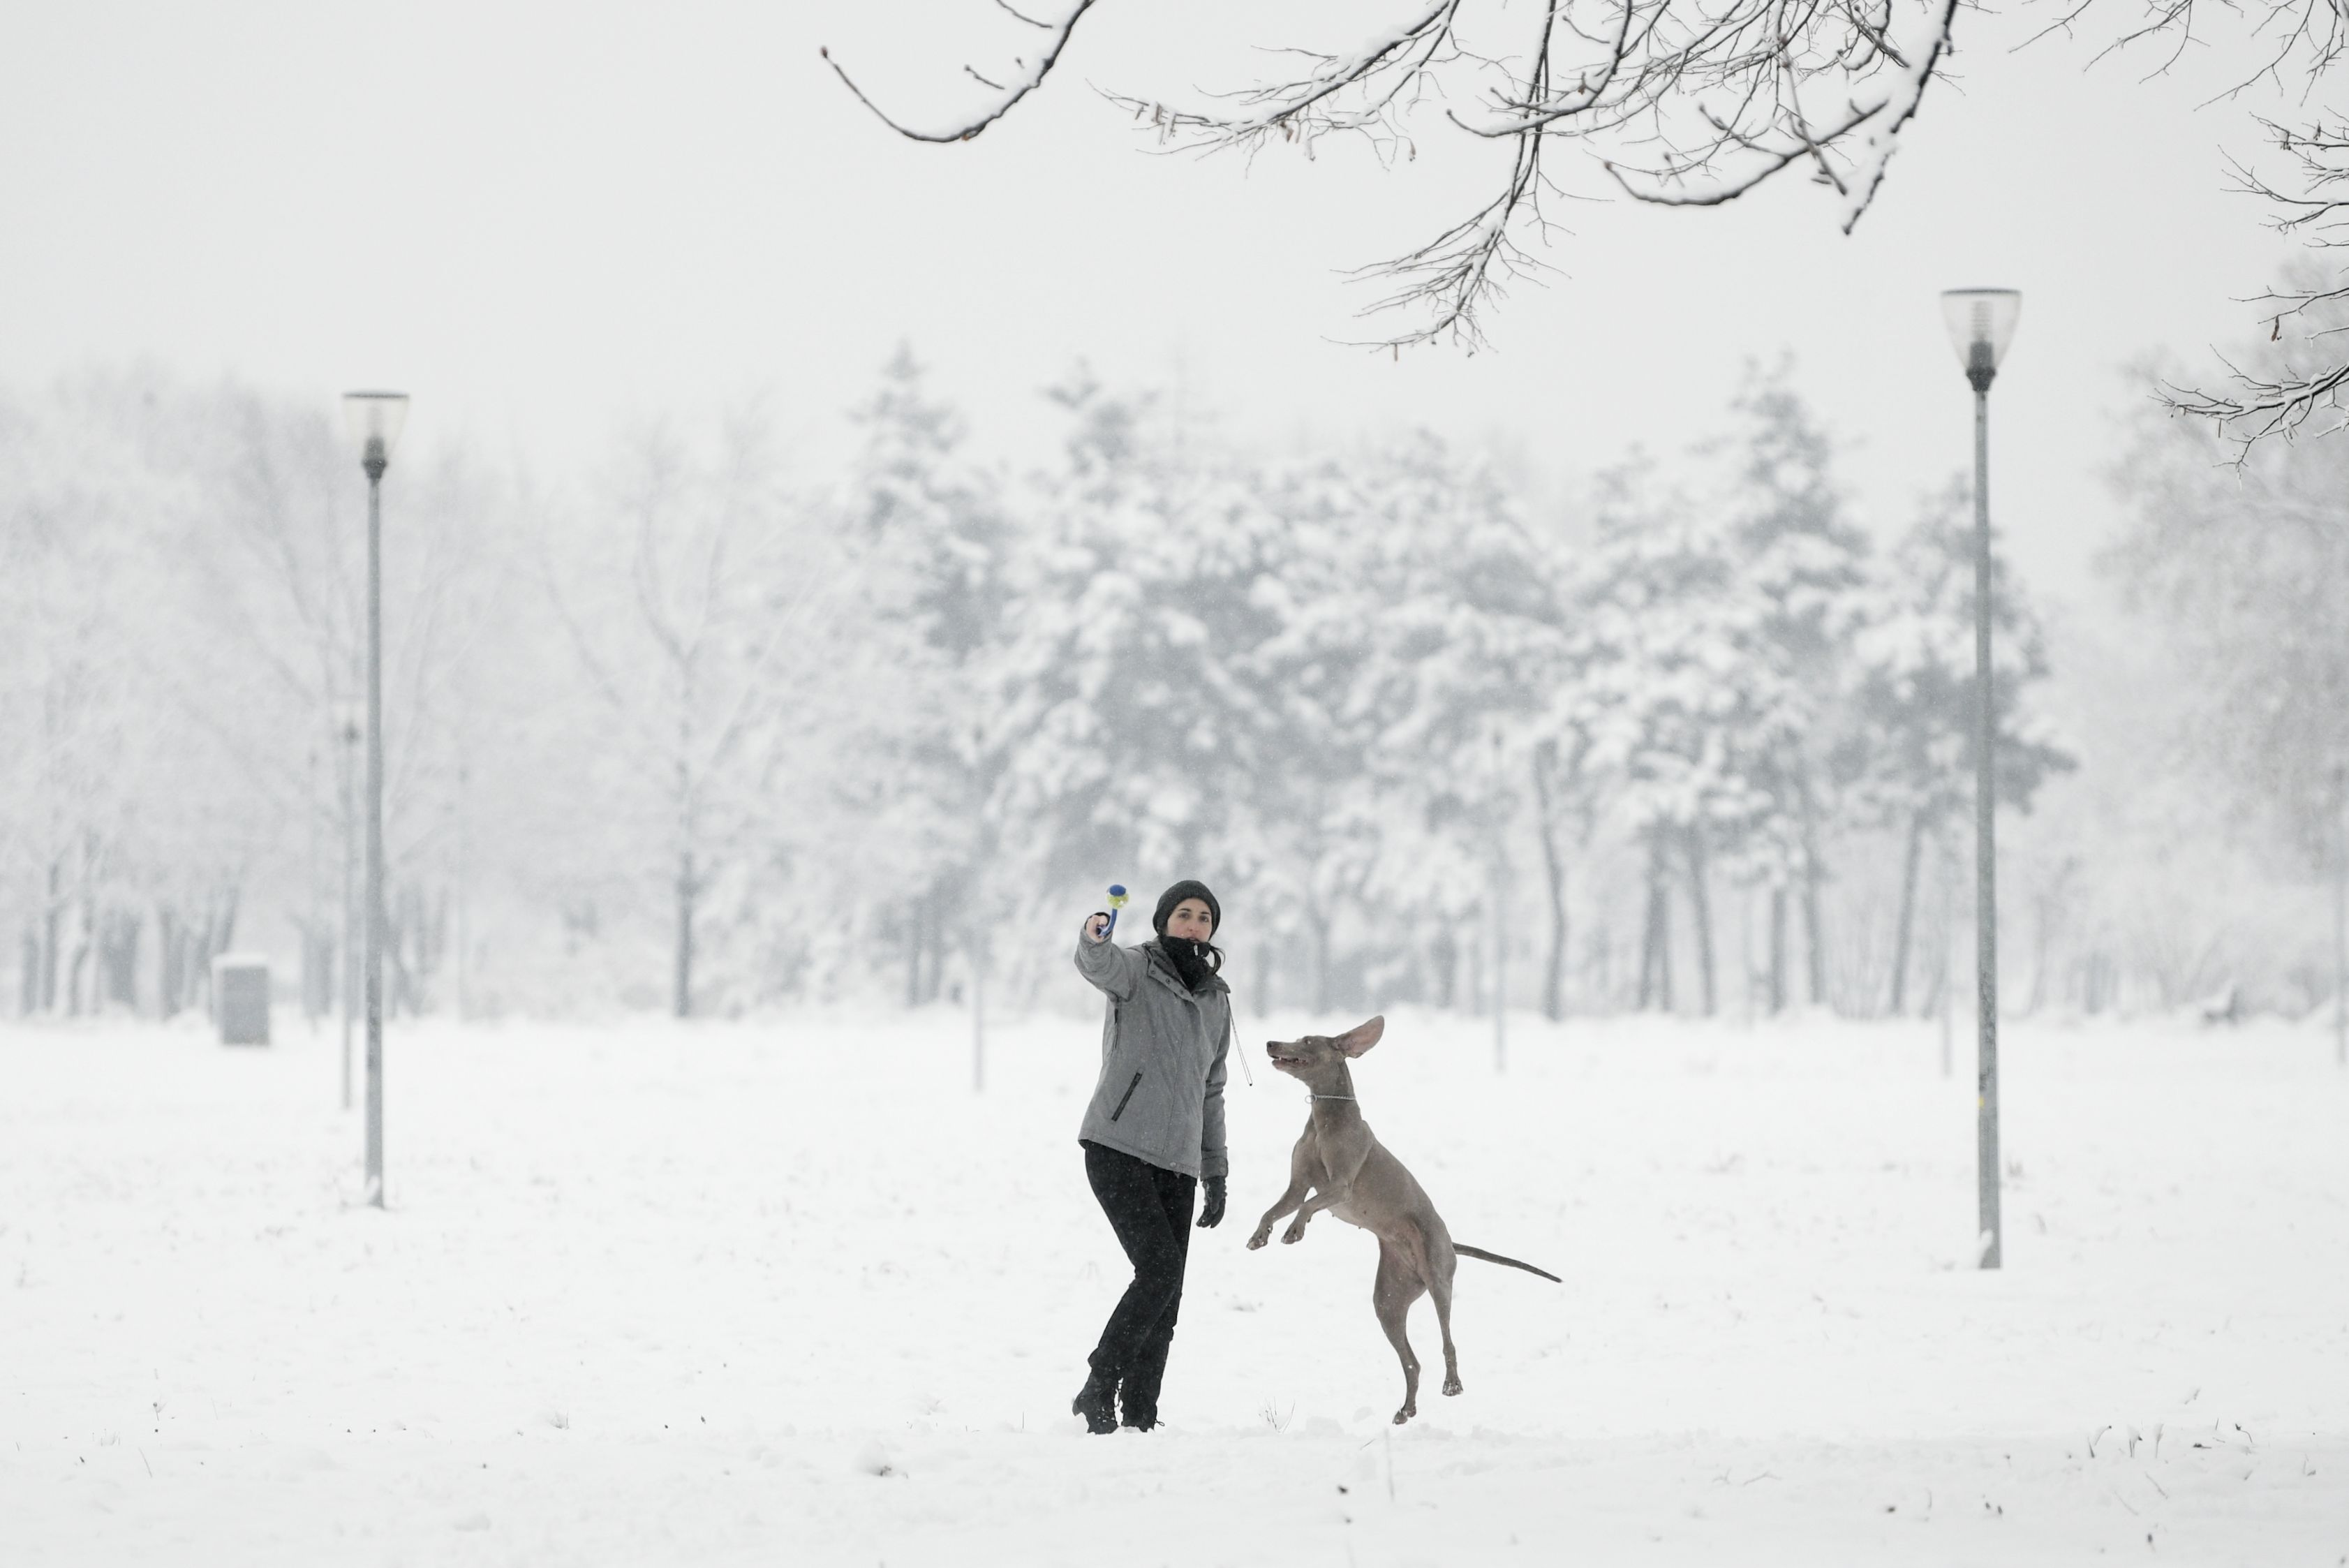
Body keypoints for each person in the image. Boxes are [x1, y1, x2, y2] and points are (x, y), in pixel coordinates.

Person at [1068, 879, 1232, 1433]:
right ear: (1163, 921)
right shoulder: (1135, 969)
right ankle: (1099, 1385)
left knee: (1169, 1292)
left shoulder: (1215, 1000)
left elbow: (1212, 1088)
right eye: (1183, 914)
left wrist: (1215, 1169)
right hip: (1118, 1145)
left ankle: (1141, 1416)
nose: (1194, 925)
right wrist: (1094, 937)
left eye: (1204, 918)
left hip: (1179, 1161)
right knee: (1158, 1271)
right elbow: (1098, 965)